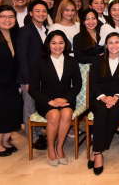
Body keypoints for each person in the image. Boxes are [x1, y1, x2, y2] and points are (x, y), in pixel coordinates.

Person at [29, 30, 82, 167]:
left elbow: (77, 84)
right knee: (54, 115)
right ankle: (50, 148)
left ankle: (59, 147)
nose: (57, 46)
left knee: (66, 113)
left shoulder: (72, 61)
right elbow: (33, 89)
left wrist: (66, 99)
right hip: (46, 101)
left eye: (61, 43)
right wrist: (49, 101)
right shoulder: (39, 63)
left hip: (66, 99)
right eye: (54, 43)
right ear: (48, 45)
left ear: (65, 44)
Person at [87, 32, 119, 175]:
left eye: (117, 42)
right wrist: (103, 97)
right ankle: (99, 153)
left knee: (113, 113)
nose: (114, 45)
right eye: (111, 43)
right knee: (101, 112)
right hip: (99, 98)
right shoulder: (97, 61)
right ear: (106, 45)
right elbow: (93, 82)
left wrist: (116, 97)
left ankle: (96, 150)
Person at [17, 0, 50, 150]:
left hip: (42, 77)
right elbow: (23, 57)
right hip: (30, 78)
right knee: (29, 108)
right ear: (31, 13)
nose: (41, 14)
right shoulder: (25, 31)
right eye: (38, 11)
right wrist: (27, 79)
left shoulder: (46, 30)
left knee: (37, 107)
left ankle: (39, 134)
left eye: (44, 11)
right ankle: (33, 138)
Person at [0, 5, 22, 157]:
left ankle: (5, 141)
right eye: (3, 17)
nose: (7, 20)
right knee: (0, 113)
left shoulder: (15, 35)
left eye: (10, 17)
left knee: (12, 112)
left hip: (12, 82)